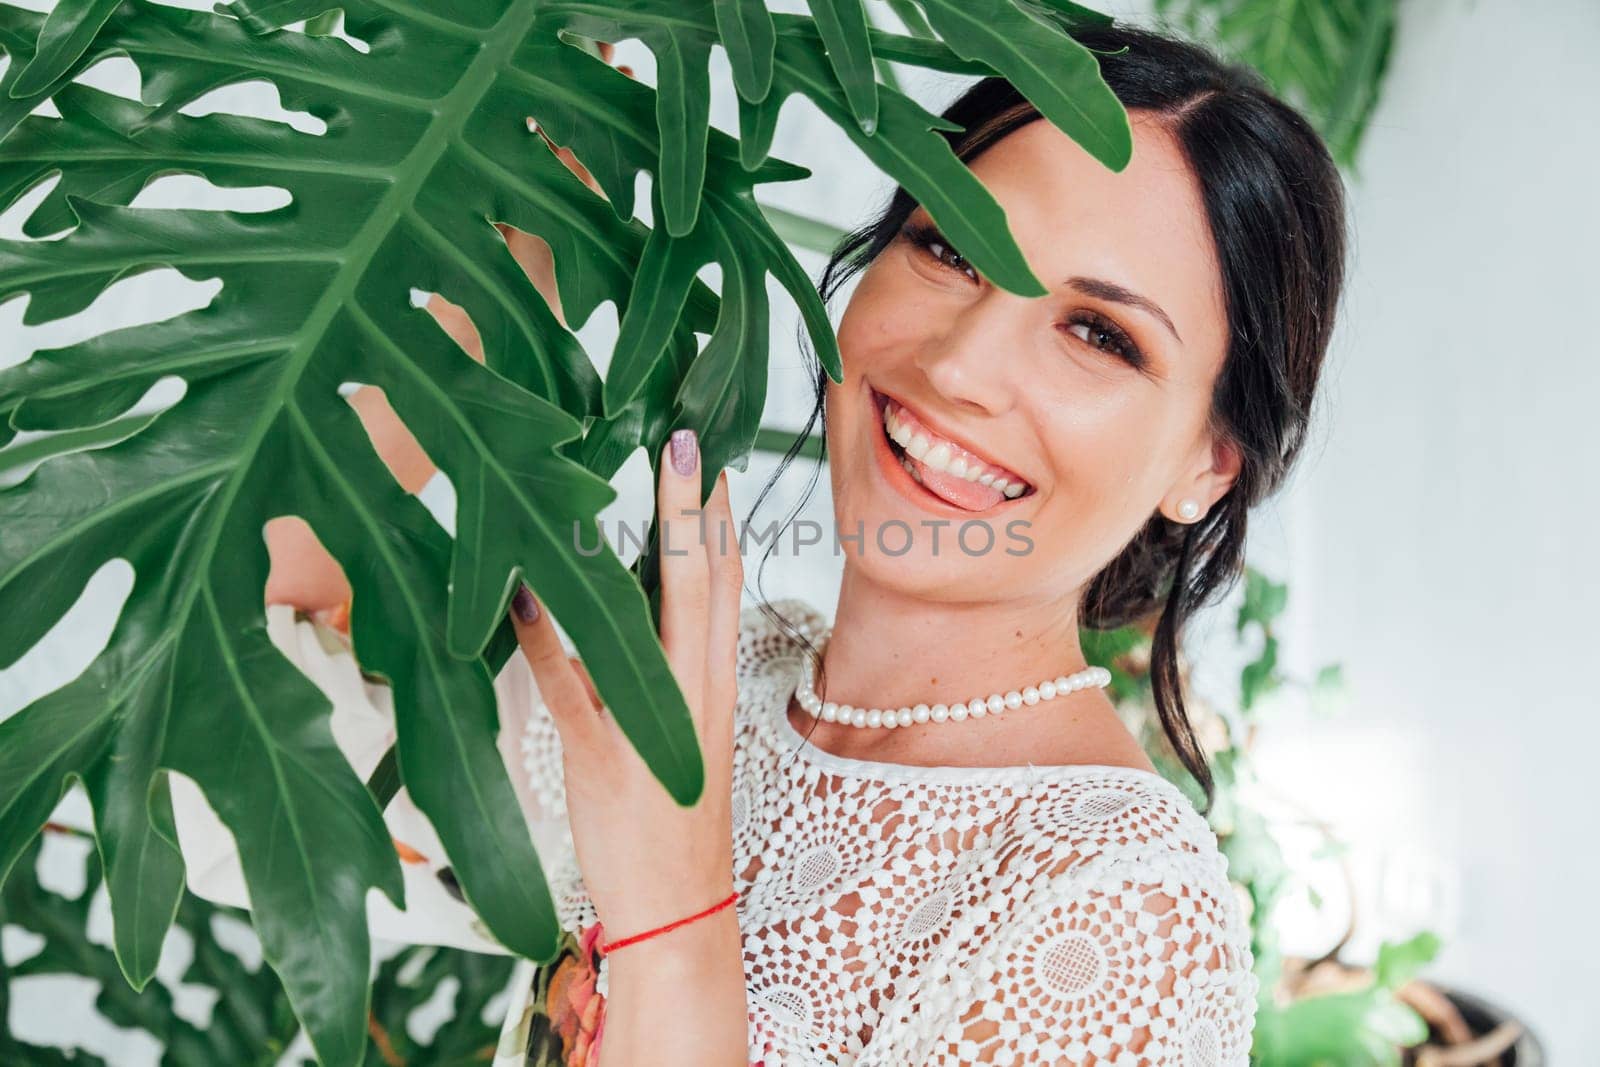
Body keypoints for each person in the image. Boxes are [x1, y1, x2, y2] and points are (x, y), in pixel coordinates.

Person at [176, 19, 1347, 1067]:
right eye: (949, 246)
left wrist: (674, 908)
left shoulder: (1117, 909)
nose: (958, 366)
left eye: (1097, 332)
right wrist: (494, 292)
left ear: (1210, 461)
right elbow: (220, 682)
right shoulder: (718, 692)